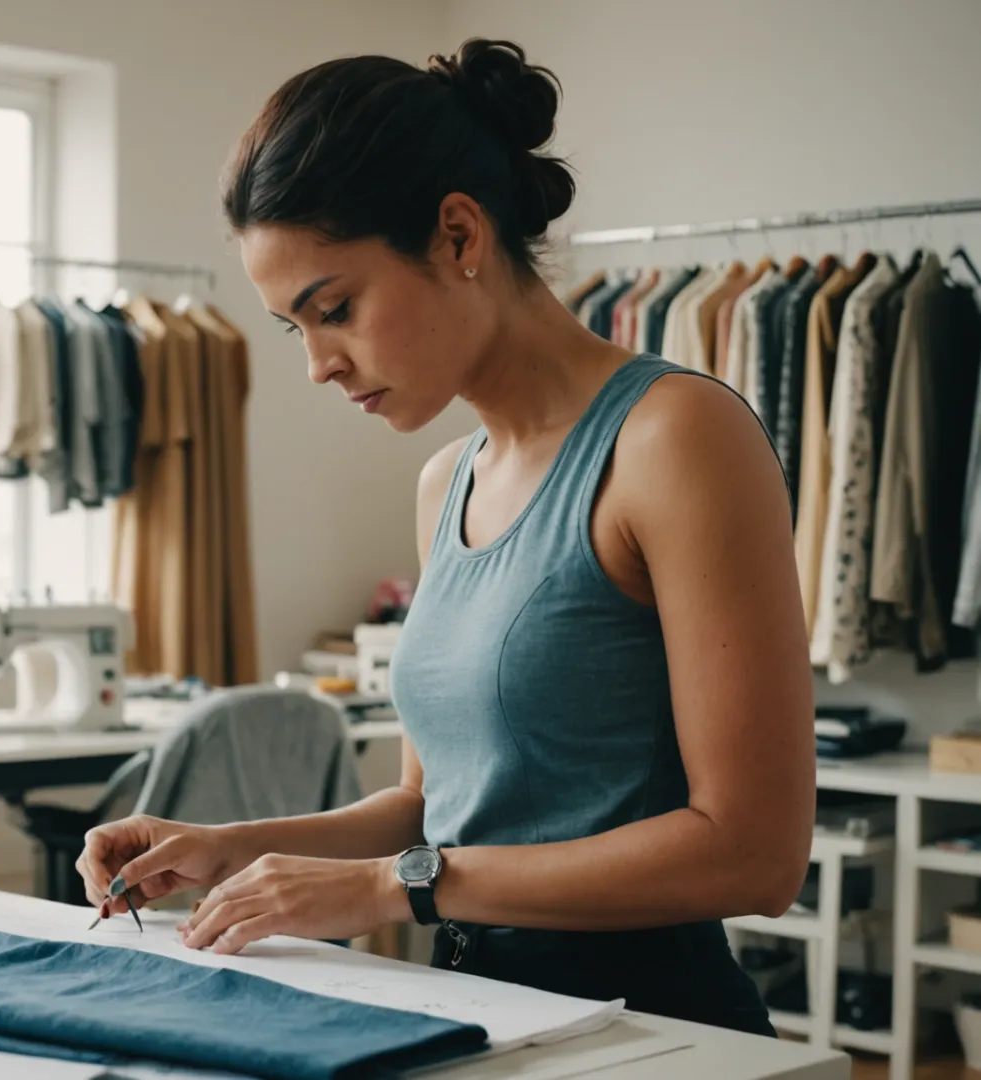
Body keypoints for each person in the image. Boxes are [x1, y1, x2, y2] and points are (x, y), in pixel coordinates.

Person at [77, 39, 814, 1036]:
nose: (320, 365)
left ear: (459, 234)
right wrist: (226, 846)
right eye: (297, 328)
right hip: (478, 1015)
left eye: (335, 309)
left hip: (652, 1031)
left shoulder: (675, 438)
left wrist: (392, 888)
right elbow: (433, 813)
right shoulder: (446, 483)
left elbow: (756, 855)